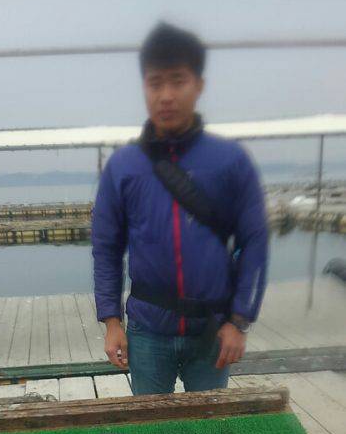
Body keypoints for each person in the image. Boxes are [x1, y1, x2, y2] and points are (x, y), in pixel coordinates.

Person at [92, 22, 268, 395]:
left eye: (178, 81)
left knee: (209, 430)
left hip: (212, 332)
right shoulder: (123, 166)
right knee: (150, 433)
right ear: (144, 87)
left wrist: (239, 321)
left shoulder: (231, 161)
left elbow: (254, 242)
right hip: (147, 331)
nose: (166, 95)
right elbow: (107, 247)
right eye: (156, 83)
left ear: (198, 86)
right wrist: (111, 320)